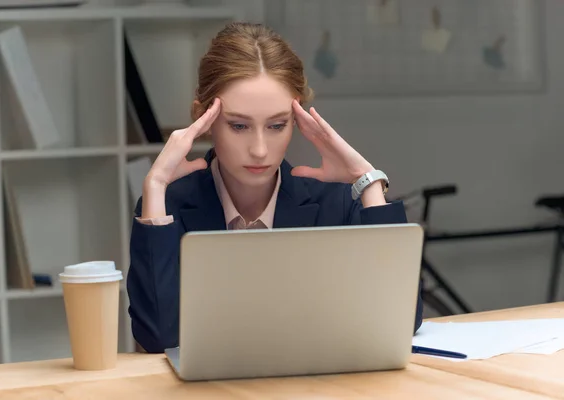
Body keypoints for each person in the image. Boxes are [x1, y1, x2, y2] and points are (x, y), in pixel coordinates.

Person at [127, 22, 423, 354]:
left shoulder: (335, 201)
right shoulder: (166, 209)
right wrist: (155, 185)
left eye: (277, 125)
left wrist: (367, 180)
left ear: (296, 122)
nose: (259, 150)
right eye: (239, 125)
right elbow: (156, 337)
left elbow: (401, 320)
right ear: (204, 121)